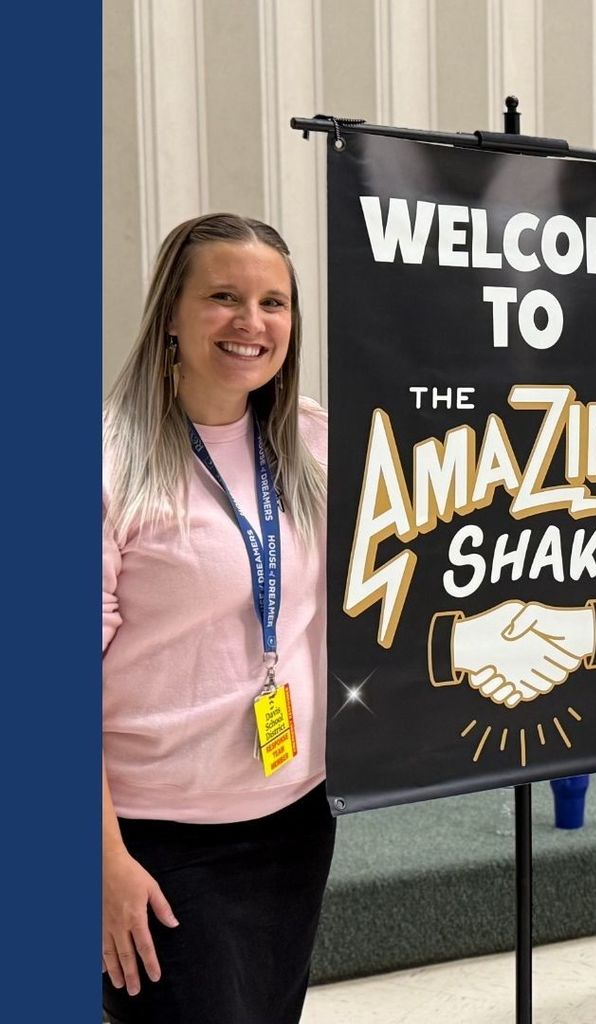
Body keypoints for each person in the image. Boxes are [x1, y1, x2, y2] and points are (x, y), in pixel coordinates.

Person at [102, 213, 335, 1023]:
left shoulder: (310, 443)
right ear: (171, 311)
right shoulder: (107, 463)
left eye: (275, 302)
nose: (252, 323)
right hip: (155, 842)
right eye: (224, 297)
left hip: (294, 822)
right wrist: (102, 864)